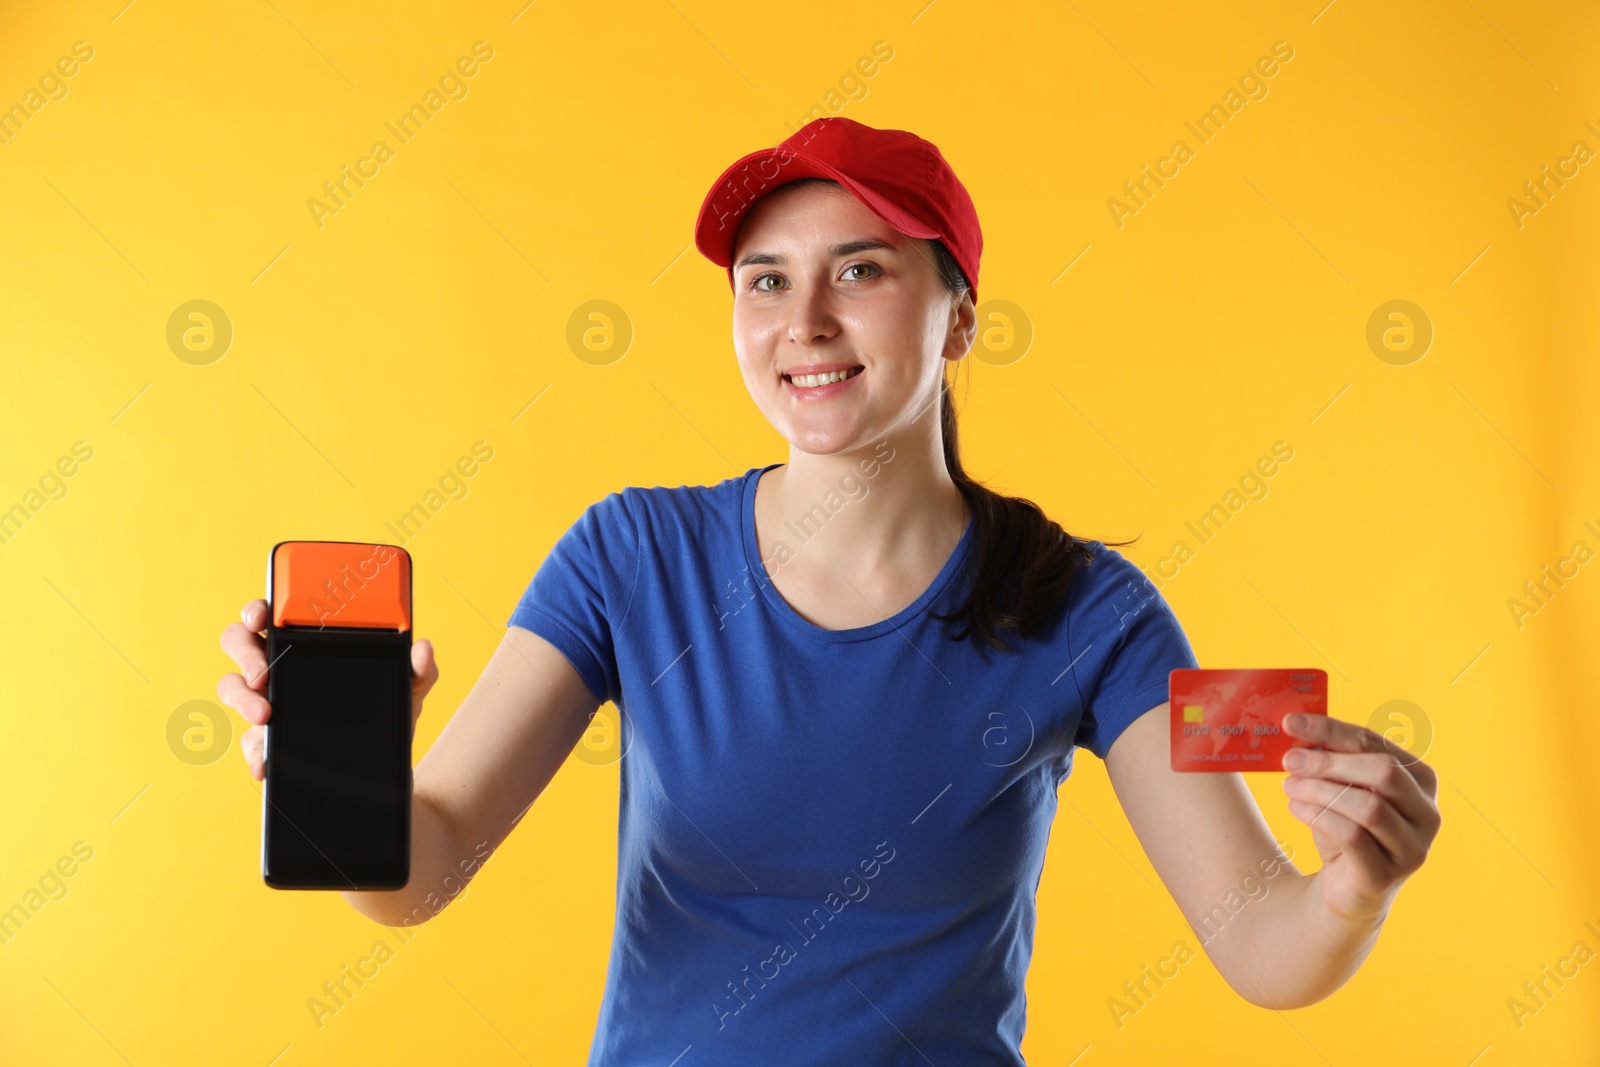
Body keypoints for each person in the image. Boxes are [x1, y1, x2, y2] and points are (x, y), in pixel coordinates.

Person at [217, 116, 1441, 1064]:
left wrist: (1351, 888)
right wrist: (341, 787)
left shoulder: (1087, 610)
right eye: (764, 279)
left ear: (960, 318)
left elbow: (1261, 942)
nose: (804, 319)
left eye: (860, 270)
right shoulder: (628, 556)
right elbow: (419, 875)